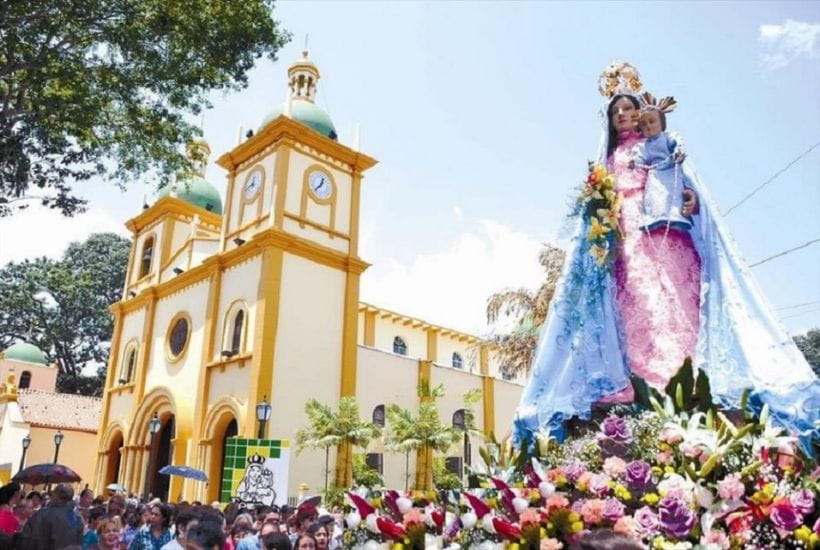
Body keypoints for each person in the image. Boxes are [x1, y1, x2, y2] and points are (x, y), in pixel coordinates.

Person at [513, 60, 820, 453]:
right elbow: (594, 209)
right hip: (626, 249)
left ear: (642, 114)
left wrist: (691, 200)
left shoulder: (658, 147)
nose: (622, 116)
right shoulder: (605, 162)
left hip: (667, 241)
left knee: (674, 307)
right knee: (636, 311)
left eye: (628, 109)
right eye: (615, 112)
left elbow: (685, 183)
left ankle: (685, 383)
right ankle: (640, 387)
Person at [629, 92, 692, 232]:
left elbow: (677, 143)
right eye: (644, 124)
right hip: (655, 173)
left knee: (673, 194)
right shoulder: (644, 146)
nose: (648, 126)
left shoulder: (667, 137)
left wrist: (678, 152)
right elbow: (639, 156)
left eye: (652, 121)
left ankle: (677, 217)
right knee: (655, 195)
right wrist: (634, 162)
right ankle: (654, 218)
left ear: (661, 123)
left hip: (670, 170)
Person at [17, 484, 84, 549]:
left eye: (53, 494)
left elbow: (27, 539)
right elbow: (79, 544)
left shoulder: (43, 514)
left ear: (55, 496)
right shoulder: (77, 518)